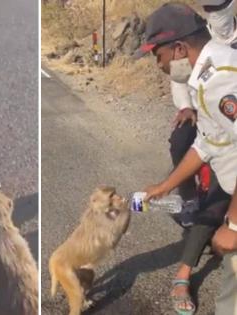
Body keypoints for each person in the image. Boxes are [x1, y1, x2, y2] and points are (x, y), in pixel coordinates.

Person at [138, 3, 237, 315]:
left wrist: (233, 225)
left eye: (158, 55)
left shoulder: (219, 78)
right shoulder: (204, 79)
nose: (157, 64)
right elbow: (206, 143)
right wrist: (164, 186)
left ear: (178, 48)